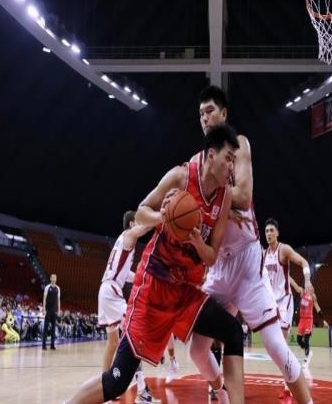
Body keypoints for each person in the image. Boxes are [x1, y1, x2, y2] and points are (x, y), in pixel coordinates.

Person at [64, 124, 245, 404]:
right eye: (228, 159)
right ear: (211, 155)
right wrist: (165, 217)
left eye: (234, 160)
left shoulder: (224, 198)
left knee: (232, 331)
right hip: (153, 289)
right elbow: (141, 212)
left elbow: (211, 256)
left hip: (185, 292)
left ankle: (225, 396)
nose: (232, 167)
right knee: (117, 380)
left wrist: (198, 242)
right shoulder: (181, 177)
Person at [189, 86, 313, 404]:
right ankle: (222, 394)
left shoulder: (239, 145)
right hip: (219, 265)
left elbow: (243, 196)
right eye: (200, 113)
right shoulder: (197, 162)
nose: (204, 118)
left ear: (224, 113)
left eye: (210, 111)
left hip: (246, 261)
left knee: (276, 347)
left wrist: (209, 201)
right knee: (197, 350)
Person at [98, 210, 158, 403]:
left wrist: (141, 275)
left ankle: (103, 389)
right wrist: (161, 218)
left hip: (105, 290)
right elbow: (144, 228)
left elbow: (126, 275)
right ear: (132, 224)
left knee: (113, 342)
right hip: (111, 291)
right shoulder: (129, 234)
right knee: (135, 335)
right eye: (138, 222)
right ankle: (142, 390)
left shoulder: (122, 242)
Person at [263, 218, 313, 339]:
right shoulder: (264, 254)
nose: (269, 233)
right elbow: (284, 275)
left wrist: (307, 280)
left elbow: (304, 262)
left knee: (282, 338)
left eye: (271, 230)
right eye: (267, 231)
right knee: (273, 341)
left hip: (284, 300)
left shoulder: (283, 249)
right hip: (270, 302)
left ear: (277, 233)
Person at [290, 279, 328, 366]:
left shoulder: (313, 297)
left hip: (309, 320)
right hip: (302, 320)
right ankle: (308, 351)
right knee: (299, 340)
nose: (310, 287)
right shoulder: (302, 292)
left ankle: (306, 357)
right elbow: (295, 285)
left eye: (311, 287)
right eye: (309, 286)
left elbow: (318, 308)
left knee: (306, 338)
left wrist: (323, 320)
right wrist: (288, 277)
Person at [42, 274, 61, 350]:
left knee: (53, 328)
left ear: (56, 279)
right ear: (50, 278)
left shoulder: (58, 288)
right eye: (52, 277)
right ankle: (44, 345)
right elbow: (44, 299)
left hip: (54, 311)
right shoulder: (47, 287)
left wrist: (58, 310)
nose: (54, 279)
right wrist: (44, 309)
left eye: (55, 278)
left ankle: (52, 345)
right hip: (48, 310)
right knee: (46, 328)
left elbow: (58, 300)